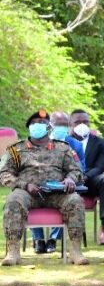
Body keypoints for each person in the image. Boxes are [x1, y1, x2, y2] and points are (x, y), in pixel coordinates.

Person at [1, 109, 88, 265]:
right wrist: (24, 185)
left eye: (42, 123)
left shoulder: (63, 148)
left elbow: (76, 170)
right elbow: (5, 174)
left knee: (75, 200)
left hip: (57, 193)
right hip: (28, 192)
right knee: (13, 200)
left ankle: (75, 251)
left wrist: (70, 179)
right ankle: (13, 252)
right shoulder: (15, 150)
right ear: (29, 128)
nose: (38, 126)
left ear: (49, 127)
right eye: (34, 124)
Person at [31, 111, 86, 254]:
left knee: (69, 198)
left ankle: (53, 239)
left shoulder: (75, 145)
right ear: (50, 125)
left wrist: (70, 179)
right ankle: (39, 240)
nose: (61, 128)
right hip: (39, 185)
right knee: (26, 194)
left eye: (65, 125)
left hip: (62, 186)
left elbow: (81, 170)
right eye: (58, 124)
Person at [70, 109, 104, 245]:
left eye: (85, 122)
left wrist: (85, 176)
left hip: (90, 181)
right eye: (77, 122)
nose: (82, 125)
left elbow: (100, 166)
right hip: (68, 181)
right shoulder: (61, 142)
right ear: (70, 124)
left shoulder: (101, 143)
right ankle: (54, 235)